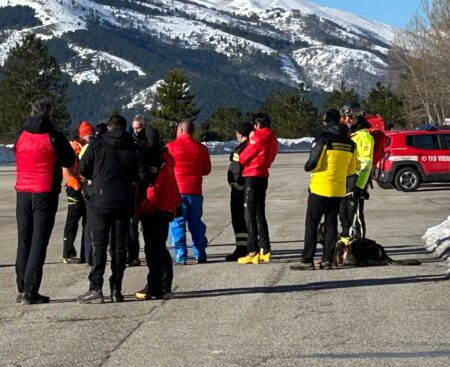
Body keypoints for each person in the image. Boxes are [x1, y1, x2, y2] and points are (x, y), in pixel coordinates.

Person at [15, 100, 76, 304]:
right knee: (38, 241)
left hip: (22, 191)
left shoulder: (22, 135)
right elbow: (69, 161)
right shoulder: (53, 136)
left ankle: (21, 286)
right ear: (48, 115)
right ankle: (30, 291)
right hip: (44, 191)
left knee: (24, 240)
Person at [77, 115, 138, 304]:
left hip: (100, 198)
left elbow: (82, 167)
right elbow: (139, 172)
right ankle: (116, 288)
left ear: (110, 127)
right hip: (123, 199)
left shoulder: (97, 143)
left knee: (99, 245)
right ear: (125, 128)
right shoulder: (132, 145)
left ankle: (96, 287)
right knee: (119, 247)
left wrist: (97, 176)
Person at [290, 110, 357, 271]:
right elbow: (351, 171)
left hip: (320, 187)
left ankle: (307, 260)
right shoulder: (350, 143)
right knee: (331, 224)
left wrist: (308, 167)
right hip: (338, 190)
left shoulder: (323, 139)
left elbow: (313, 163)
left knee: (312, 225)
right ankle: (327, 259)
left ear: (326, 121)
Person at [135, 127, 181, 300]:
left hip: (156, 208)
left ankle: (157, 285)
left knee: (154, 248)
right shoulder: (164, 158)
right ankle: (163, 283)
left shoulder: (156, 161)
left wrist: (140, 208)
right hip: (164, 207)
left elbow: (154, 190)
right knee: (158, 247)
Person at [166, 119, 211, 264]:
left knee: (177, 223)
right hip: (195, 191)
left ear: (179, 130)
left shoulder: (170, 148)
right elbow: (206, 170)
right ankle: (200, 253)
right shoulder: (201, 149)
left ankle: (180, 255)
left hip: (177, 191)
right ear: (193, 131)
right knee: (196, 223)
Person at [236, 113, 278, 264]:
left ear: (258, 125)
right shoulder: (272, 138)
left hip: (252, 176)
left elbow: (244, 157)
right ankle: (265, 248)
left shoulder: (259, 137)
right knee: (260, 213)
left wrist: (251, 140)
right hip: (263, 175)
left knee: (250, 214)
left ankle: (253, 249)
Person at [338, 102, 374, 240]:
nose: (345, 120)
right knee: (344, 214)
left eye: (349, 117)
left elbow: (366, 163)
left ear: (357, 117)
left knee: (355, 213)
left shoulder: (364, 137)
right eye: (344, 117)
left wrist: (359, 187)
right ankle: (346, 244)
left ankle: (360, 244)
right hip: (347, 179)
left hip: (358, 179)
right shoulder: (350, 134)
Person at [62, 121, 95, 264]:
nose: (92, 137)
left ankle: (85, 252)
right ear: (84, 135)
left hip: (83, 187)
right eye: (91, 135)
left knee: (86, 222)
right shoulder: (73, 148)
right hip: (74, 188)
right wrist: (77, 186)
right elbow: (67, 171)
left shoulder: (85, 147)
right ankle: (67, 253)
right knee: (72, 220)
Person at [225, 122, 254, 261]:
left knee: (239, 220)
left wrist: (236, 185)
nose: (236, 135)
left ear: (241, 134)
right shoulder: (253, 146)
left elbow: (236, 170)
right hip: (252, 188)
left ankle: (242, 248)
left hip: (239, 191)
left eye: (237, 132)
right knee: (251, 218)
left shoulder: (240, 150)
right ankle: (252, 246)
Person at [127, 114, 147, 266]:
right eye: (133, 128)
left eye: (138, 128)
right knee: (130, 223)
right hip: (131, 186)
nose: (136, 131)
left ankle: (133, 254)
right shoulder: (131, 144)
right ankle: (130, 254)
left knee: (133, 222)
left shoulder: (146, 144)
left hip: (138, 188)